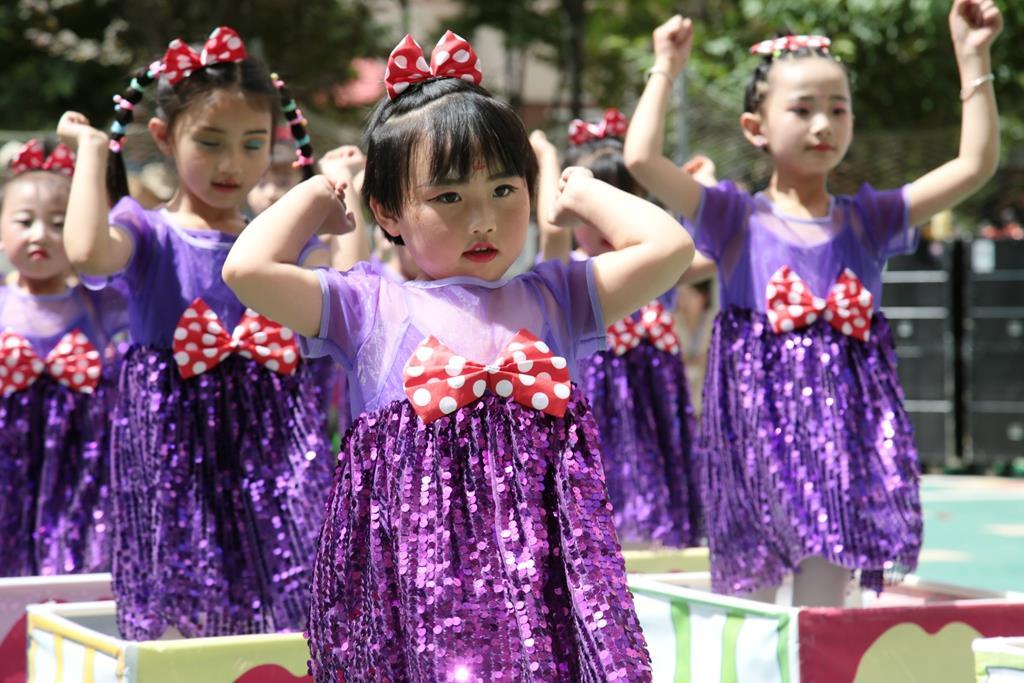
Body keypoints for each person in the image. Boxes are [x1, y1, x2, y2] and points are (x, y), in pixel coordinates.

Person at [223, 30, 696, 682]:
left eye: (505, 190)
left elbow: (668, 249)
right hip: (414, 597)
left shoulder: (559, 297)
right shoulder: (369, 306)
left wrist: (580, 191)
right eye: (449, 197)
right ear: (388, 211)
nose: (483, 219)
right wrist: (316, 194)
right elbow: (245, 269)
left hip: (540, 591)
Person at [624, 1, 1002, 606]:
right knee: (754, 601)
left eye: (838, 108)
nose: (823, 124)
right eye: (801, 110)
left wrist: (972, 55)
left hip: (842, 446)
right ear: (757, 128)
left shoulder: (871, 218)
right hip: (755, 440)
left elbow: (975, 163)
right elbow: (642, 159)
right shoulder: (732, 215)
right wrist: (666, 65)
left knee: (823, 605)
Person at [56, 26, 334, 639]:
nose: (232, 164)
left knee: (289, 573)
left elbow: (337, 277)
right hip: (171, 435)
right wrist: (92, 152)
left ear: (276, 143)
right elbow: (86, 252)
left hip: (272, 432)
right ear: (163, 137)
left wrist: (342, 194)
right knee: (180, 580)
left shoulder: (274, 237)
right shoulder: (148, 229)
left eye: (252, 143)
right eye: (209, 142)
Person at [530, 114, 713, 548]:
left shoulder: (657, 273)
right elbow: (553, 228)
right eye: (591, 209)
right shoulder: (569, 277)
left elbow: (718, 250)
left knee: (658, 535)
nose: (604, 222)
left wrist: (706, 188)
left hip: (657, 432)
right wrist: (547, 159)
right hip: (592, 428)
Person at [0, 139, 126, 577]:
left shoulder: (103, 304)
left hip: (79, 472)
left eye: (58, 223)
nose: (40, 234)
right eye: (24, 221)